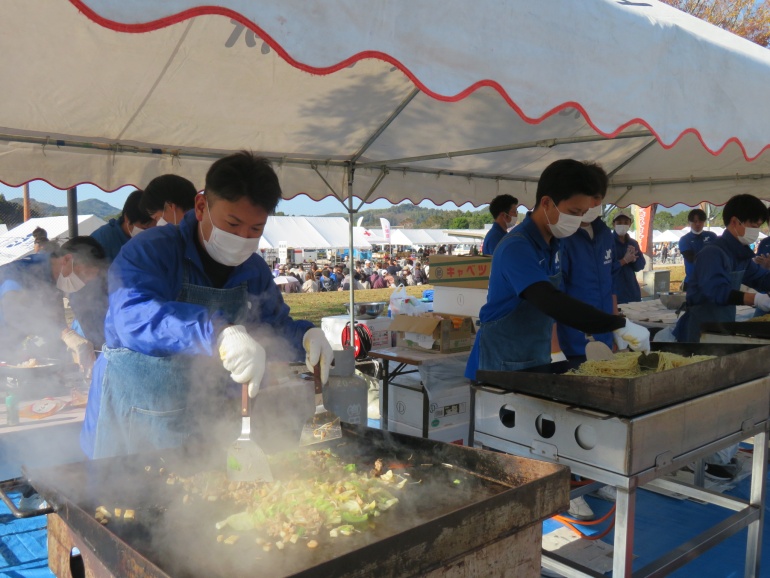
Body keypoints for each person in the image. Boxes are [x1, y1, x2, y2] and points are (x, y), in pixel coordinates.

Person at [84, 152, 333, 459]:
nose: (243, 237)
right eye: (233, 223)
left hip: (208, 417)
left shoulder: (253, 269)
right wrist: (217, 334)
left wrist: (306, 337)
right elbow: (133, 316)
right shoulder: (151, 250)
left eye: (255, 229)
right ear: (201, 207)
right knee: (125, 503)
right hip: (135, 416)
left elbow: (272, 326)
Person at [673, 194, 770, 480]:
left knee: (718, 396)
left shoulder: (740, 253)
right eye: (753, 224)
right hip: (698, 331)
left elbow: (761, 278)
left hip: (721, 330)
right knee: (699, 396)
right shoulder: (713, 252)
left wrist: (763, 289)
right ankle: (690, 457)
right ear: (735, 222)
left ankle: (712, 453)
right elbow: (716, 291)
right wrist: (756, 299)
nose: (757, 230)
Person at [556, 162, 617, 359]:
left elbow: (611, 284)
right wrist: (555, 351)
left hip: (604, 334)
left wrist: (616, 328)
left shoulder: (605, 234)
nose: (593, 205)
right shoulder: (563, 236)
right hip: (573, 338)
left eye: (598, 199)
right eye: (590, 198)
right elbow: (552, 295)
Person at [90, 190, 156, 262]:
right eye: (145, 228)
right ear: (127, 218)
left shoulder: (155, 239)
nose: (149, 233)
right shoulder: (102, 239)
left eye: (154, 229)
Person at [679, 209, 718, 290]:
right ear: (689, 222)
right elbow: (690, 258)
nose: (697, 224)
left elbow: (718, 255)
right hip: (692, 282)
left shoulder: (712, 236)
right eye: (695, 221)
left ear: (704, 222)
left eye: (700, 221)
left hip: (710, 281)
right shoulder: (685, 239)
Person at [612, 211, 645, 304]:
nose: (623, 225)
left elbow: (640, 266)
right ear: (613, 224)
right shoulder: (608, 242)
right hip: (615, 294)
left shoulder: (633, 243)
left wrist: (634, 260)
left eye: (626, 222)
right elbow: (605, 269)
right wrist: (623, 261)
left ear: (630, 224)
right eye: (619, 223)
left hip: (633, 293)